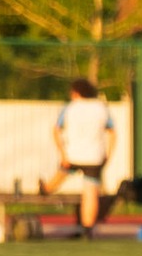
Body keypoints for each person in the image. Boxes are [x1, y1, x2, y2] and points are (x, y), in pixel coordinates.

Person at [40, 78, 116, 236]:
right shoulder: (101, 107)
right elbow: (112, 132)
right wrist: (108, 154)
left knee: (62, 172)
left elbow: (56, 130)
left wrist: (63, 153)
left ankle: (46, 189)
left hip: (73, 155)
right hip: (94, 157)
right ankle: (88, 228)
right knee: (90, 193)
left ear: (76, 92)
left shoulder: (70, 108)